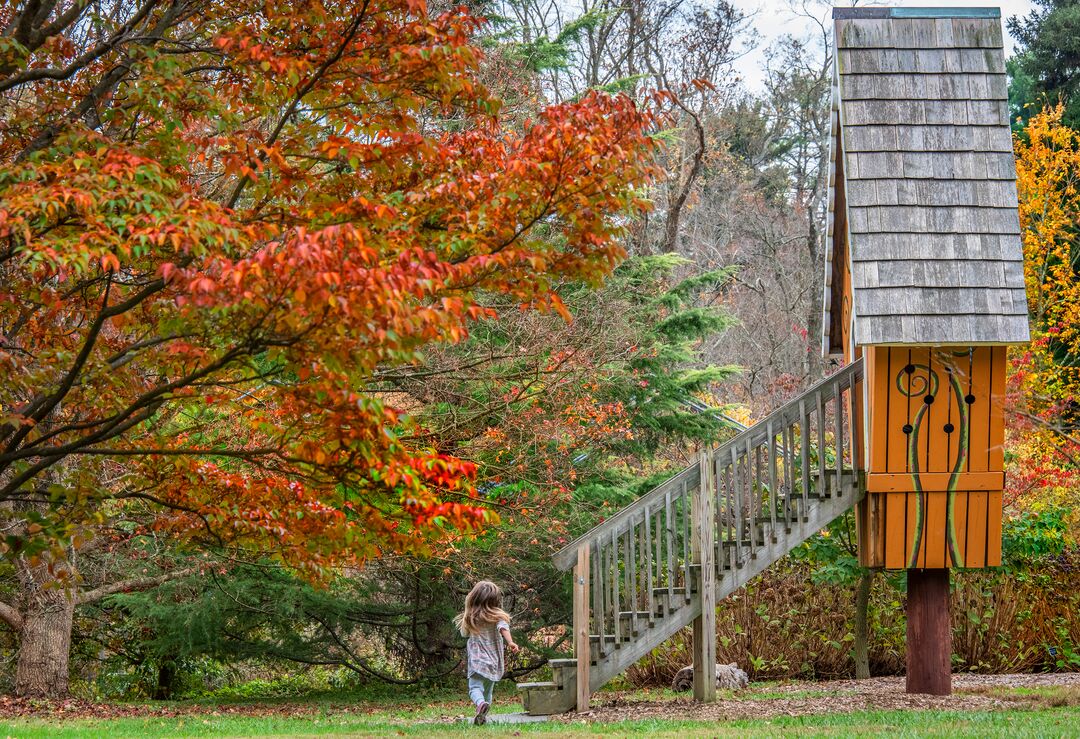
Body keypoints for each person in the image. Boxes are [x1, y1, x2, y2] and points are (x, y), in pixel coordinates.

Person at [455, 580, 520, 725]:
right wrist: (510, 642)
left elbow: (464, 634)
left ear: (474, 597)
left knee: (475, 688)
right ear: (496, 600)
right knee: (487, 692)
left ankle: (480, 705)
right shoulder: (497, 616)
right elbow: (503, 628)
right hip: (493, 662)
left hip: (478, 662)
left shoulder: (471, 617)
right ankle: (482, 714)